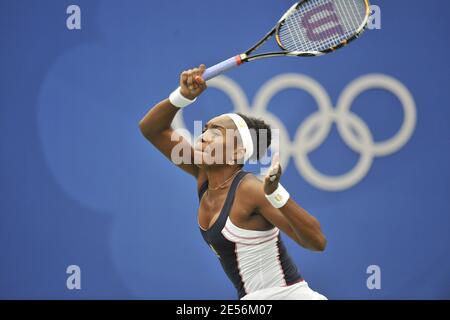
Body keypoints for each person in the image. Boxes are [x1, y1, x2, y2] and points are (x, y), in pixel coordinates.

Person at [139, 64, 327, 300]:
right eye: (205, 129)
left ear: (238, 153)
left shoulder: (251, 190)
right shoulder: (204, 177)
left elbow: (316, 241)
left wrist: (275, 193)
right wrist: (182, 97)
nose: (204, 136)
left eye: (216, 133)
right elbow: (151, 129)